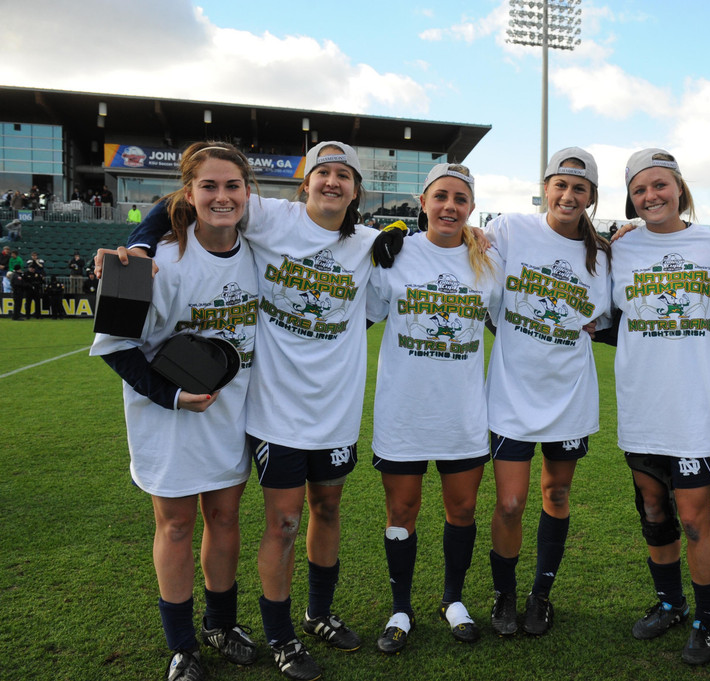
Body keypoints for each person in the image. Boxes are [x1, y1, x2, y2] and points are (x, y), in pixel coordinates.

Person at [124, 141, 399, 681]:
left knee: (315, 510)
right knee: (270, 522)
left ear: (356, 190)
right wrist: (137, 243)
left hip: (331, 412)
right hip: (270, 410)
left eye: (344, 174)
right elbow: (188, 199)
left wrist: (430, 234)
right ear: (304, 183)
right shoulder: (265, 220)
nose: (332, 181)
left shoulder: (370, 244)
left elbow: (426, 257)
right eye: (323, 172)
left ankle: (302, 616)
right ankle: (265, 637)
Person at [90, 142, 261, 681]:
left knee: (225, 519)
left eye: (232, 186)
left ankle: (221, 624)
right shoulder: (149, 261)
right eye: (208, 186)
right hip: (167, 419)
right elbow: (114, 345)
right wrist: (171, 395)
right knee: (177, 525)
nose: (221, 197)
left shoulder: (261, 251)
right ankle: (183, 646)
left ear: (248, 192)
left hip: (229, 416)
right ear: (188, 193)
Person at [367, 163, 503, 654]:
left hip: (462, 414)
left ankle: (453, 600)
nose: (450, 206)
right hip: (403, 412)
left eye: (460, 199)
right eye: (440, 196)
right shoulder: (393, 253)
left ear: (471, 208)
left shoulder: (489, 262)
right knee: (401, 510)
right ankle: (400, 607)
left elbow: (508, 323)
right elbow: (359, 316)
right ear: (422, 202)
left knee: (462, 509)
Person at [606, 149, 710, 663]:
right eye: (639, 189)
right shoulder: (620, 249)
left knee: (695, 518)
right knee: (654, 508)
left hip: (697, 409)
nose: (650, 196)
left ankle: (707, 621)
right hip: (642, 405)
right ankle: (671, 603)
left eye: (660, 185)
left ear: (679, 188)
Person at [484, 147, 611, 637]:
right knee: (510, 503)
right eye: (561, 184)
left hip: (569, 394)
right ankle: (504, 594)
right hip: (512, 392)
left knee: (556, 493)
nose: (568, 195)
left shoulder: (603, 255)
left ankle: (541, 594)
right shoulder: (510, 229)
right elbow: (462, 257)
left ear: (591, 197)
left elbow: (602, 320)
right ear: (546, 188)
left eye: (580, 188)